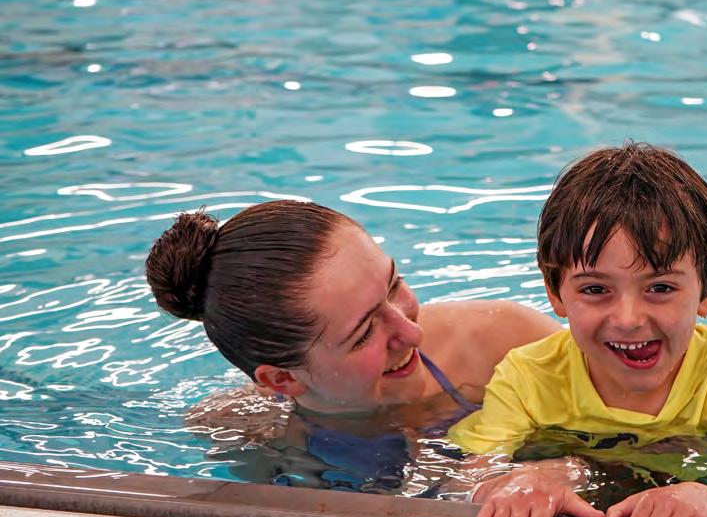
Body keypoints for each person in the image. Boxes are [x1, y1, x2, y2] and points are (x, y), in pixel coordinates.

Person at [448, 142, 707, 517]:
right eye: (595, 289)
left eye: (660, 287)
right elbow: (468, 482)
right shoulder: (527, 375)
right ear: (555, 293)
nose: (628, 319)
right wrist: (514, 485)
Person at [145, 200, 561, 492]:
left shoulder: (506, 344)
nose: (411, 334)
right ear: (282, 379)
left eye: (394, 285)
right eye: (364, 333)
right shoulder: (248, 433)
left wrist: (558, 472)